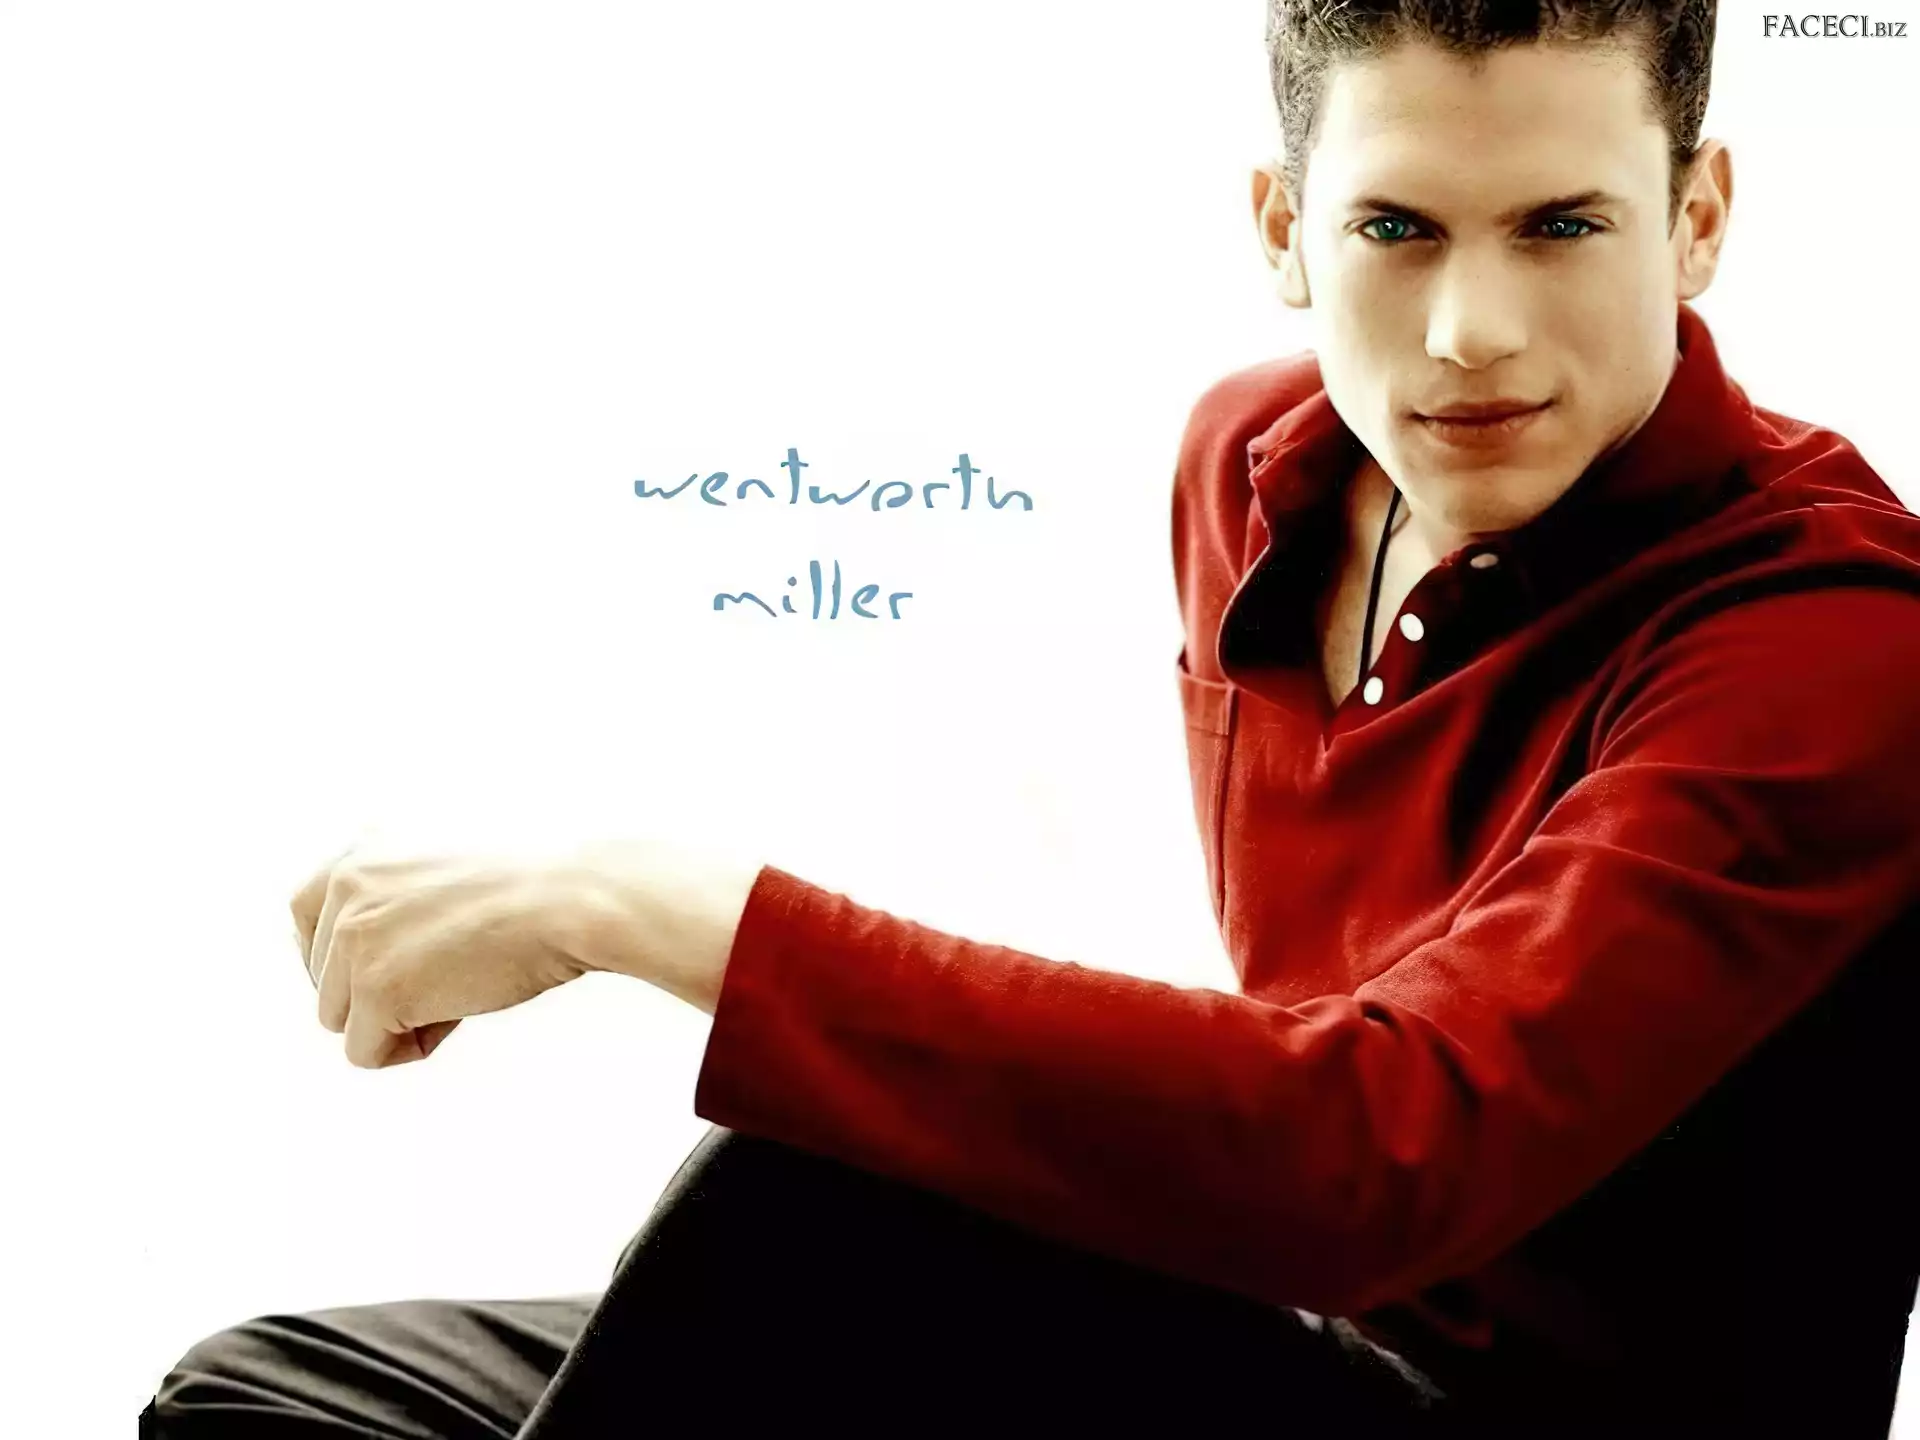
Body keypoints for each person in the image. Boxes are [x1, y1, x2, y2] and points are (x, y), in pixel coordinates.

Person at [143, 1, 1920, 1435]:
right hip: (1279, 1336)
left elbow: (1387, 1147)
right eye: (1397, 229)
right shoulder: (1258, 470)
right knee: (275, 1397)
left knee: (815, 1199)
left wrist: (642, 908)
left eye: (1562, 227)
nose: (1470, 332)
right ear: (1283, 229)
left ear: (1697, 218)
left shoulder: (1835, 633)